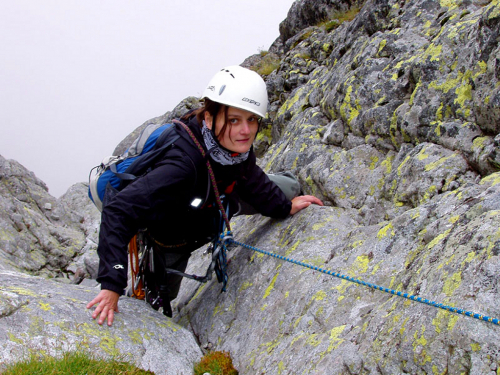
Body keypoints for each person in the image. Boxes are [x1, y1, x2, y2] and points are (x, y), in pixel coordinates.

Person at [87, 65, 323, 326]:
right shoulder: (180, 166)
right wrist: (111, 284)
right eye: (234, 119)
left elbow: (250, 176)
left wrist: (283, 207)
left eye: (252, 119)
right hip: (172, 230)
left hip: (213, 199)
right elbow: (119, 210)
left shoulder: (232, 146)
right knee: (158, 304)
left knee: (287, 189)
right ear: (209, 118)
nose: (246, 130)